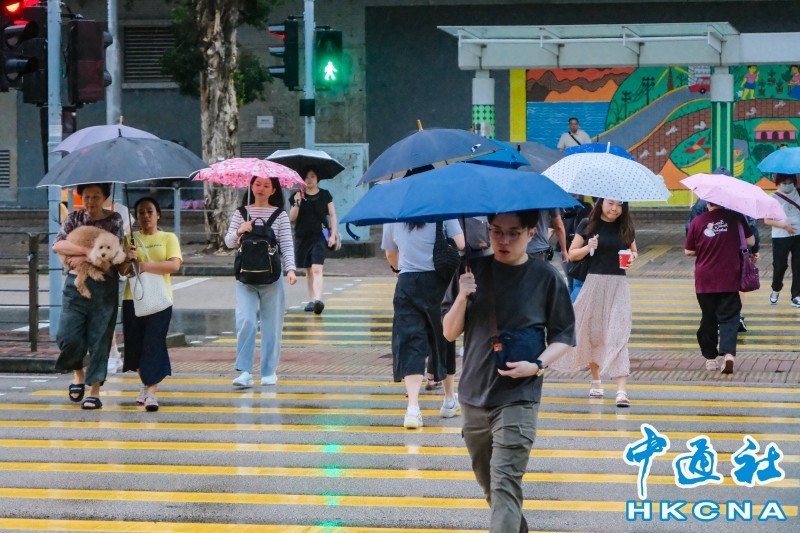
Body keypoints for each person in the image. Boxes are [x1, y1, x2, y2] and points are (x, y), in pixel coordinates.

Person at [442, 209, 575, 533]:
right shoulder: (471, 270)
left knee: (504, 483)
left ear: (531, 233)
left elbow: (565, 335)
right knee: (494, 487)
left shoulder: (546, 277)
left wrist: (538, 365)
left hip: (519, 398)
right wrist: (462, 296)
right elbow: (448, 332)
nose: (503, 240)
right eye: (496, 231)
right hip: (473, 396)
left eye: (513, 233)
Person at [551, 198, 638, 407]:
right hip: (594, 283)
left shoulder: (626, 226)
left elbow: (634, 250)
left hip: (618, 286)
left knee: (618, 335)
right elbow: (572, 254)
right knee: (594, 333)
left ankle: (621, 391)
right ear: (601, 203)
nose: (615, 208)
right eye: (610, 203)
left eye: (619, 205)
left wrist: (632, 257)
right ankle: (596, 380)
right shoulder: (588, 224)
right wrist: (588, 247)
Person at [382, 219, 464, 429]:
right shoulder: (442, 209)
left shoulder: (395, 214)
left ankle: (412, 407)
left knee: (411, 341)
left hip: (407, 283)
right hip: (439, 282)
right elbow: (461, 243)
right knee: (444, 338)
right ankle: (448, 399)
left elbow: (390, 253)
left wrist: (399, 270)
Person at [53, 183, 128, 410]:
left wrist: (83, 257)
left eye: (96, 196)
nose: (90, 201)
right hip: (75, 285)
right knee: (68, 336)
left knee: (100, 339)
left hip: (104, 286)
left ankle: (94, 390)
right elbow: (59, 245)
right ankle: (78, 373)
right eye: (86, 196)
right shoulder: (74, 218)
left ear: (105, 198)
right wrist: (87, 253)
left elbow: (111, 254)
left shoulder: (114, 220)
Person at [225, 176, 297, 388]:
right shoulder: (241, 213)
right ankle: (244, 371)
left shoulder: (280, 215)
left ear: (273, 190)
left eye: (266, 185)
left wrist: (291, 270)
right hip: (245, 277)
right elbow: (228, 242)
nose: (261, 189)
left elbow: (286, 245)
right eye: (257, 184)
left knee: (272, 325)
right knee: (245, 321)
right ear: (251, 186)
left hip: (272, 277)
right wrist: (240, 230)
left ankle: (269, 371)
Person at [121, 197, 182, 412]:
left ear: (158, 215)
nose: (145, 216)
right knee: (135, 346)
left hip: (159, 300)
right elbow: (123, 272)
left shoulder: (168, 238)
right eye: (141, 212)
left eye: (149, 211)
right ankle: (145, 383)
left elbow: (173, 265)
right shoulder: (129, 239)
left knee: (153, 343)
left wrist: (144, 265)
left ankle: (151, 392)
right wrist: (127, 258)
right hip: (133, 299)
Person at [685, 167, 759, 332]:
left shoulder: (702, 202)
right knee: (736, 282)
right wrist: (754, 250)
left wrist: (698, 247)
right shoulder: (738, 200)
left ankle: (714, 319)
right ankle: (736, 316)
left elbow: (690, 227)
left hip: (708, 252)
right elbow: (751, 226)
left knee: (710, 285)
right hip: (734, 252)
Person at [685, 201, 755, 375]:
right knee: (730, 317)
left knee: (708, 317)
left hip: (705, 279)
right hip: (729, 276)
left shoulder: (698, 221)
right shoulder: (737, 218)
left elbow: (689, 251)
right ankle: (729, 355)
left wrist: (706, 247)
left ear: (707, 202)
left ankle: (710, 358)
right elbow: (750, 241)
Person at [289, 166, 338, 315]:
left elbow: (332, 215)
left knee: (317, 268)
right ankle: (311, 299)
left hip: (321, 234)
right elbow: (292, 218)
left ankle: (318, 300)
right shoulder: (297, 195)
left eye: (312, 176)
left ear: (317, 179)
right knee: (309, 270)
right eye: (306, 177)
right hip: (302, 236)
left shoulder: (325, 194)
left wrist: (332, 235)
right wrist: (297, 202)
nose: (309, 180)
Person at [764, 173, 800, 307]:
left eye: (790, 183)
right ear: (778, 183)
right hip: (780, 236)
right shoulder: (772, 198)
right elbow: (767, 220)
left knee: (798, 266)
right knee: (780, 266)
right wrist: (784, 226)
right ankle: (776, 289)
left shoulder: (798, 193)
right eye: (784, 183)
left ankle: (796, 295)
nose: (787, 185)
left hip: (798, 235)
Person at [105, 197, 131, 374]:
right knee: (102, 316)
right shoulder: (85, 213)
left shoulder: (121, 210)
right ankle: (112, 354)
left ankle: (112, 355)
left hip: (115, 271)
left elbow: (125, 235)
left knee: (108, 316)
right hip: (95, 270)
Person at [560, 194, 593, 294]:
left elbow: (556, 227)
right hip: (575, 248)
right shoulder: (586, 207)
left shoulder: (563, 206)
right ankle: (570, 303)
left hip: (567, 246)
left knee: (573, 283)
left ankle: (569, 302)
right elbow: (556, 226)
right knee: (575, 283)